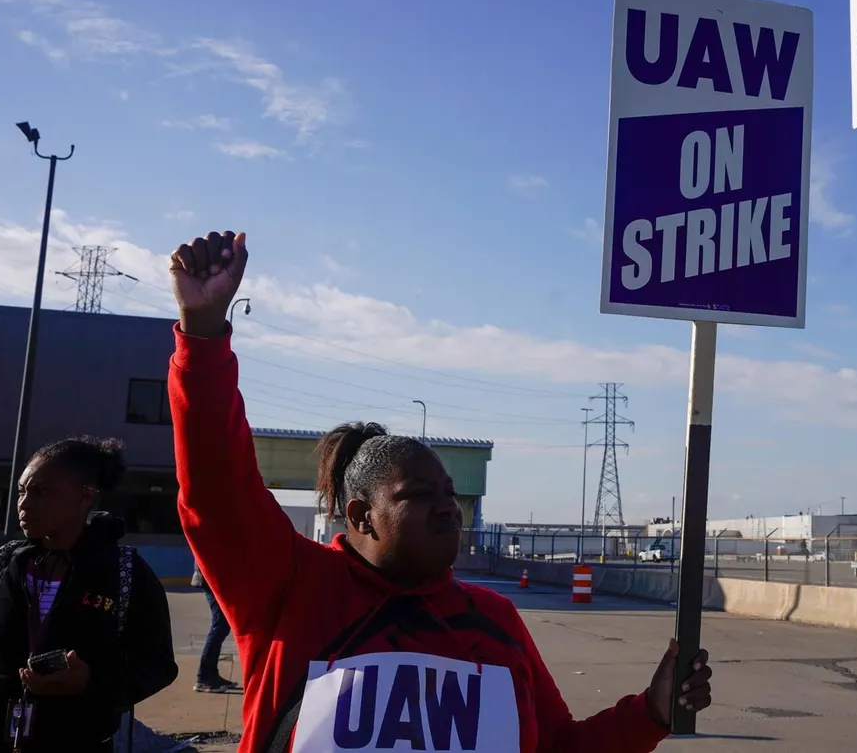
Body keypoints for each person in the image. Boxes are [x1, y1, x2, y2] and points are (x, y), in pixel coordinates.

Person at [168, 230, 714, 753]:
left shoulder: (493, 620)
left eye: (450, 493)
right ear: (361, 516)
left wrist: (650, 712)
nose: (449, 506)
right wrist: (203, 332)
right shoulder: (291, 590)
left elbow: (557, 746)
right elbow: (218, 490)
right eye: (420, 494)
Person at [0, 437, 179, 752]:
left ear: (84, 496)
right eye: (21, 490)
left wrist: (90, 683)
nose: (24, 503)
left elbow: (158, 666)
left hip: (78, 740)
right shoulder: (4, 562)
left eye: (41, 492)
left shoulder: (125, 572)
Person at [191, 563, 239, 693]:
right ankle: (204, 678)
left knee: (222, 625)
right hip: (210, 578)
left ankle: (211, 675)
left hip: (214, 578)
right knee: (220, 625)